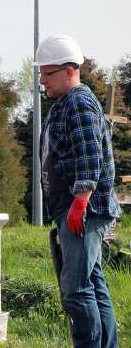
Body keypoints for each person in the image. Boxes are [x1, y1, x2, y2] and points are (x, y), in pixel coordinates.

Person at [37, 34, 121, 348]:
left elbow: (89, 156)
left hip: (83, 212)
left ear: (70, 70)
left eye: (48, 74)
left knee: (76, 289)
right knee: (92, 284)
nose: (42, 81)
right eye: (41, 74)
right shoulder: (64, 103)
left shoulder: (79, 102)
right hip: (75, 209)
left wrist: (79, 204)